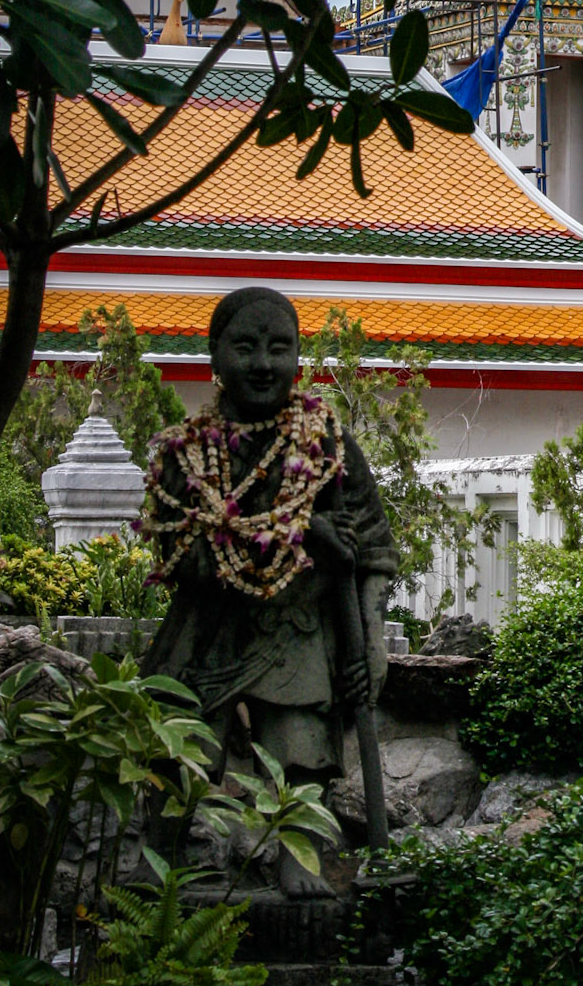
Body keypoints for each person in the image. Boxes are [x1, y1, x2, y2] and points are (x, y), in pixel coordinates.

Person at [142, 287, 395, 799]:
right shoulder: (185, 454)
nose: (263, 364)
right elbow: (179, 556)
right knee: (177, 757)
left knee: (299, 752)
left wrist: (371, 639)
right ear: (214, 352)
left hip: (294, 630)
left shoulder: (326, 444)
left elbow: (373, 552)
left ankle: (293, 854)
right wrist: (297, 534)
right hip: (205, 633)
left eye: (280, 348)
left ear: (298, 355)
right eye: (246, 347)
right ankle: (167, 858)